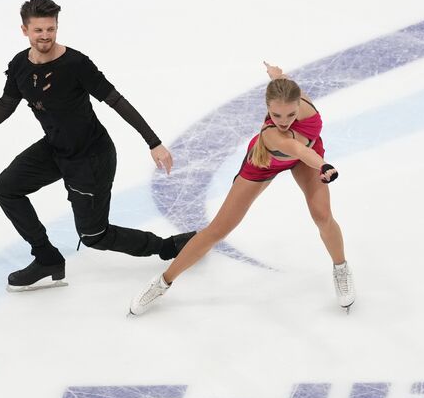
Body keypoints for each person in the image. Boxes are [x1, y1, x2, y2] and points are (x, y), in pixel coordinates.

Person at [0, 0, 195, 290]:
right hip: (55, 148)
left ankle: (169, 247)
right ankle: (47, 257)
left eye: (51, 28)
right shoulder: (19, 65)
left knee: (94, 236)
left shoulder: (76, 64)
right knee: (6, 188)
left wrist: (154, 142)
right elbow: (5, 105)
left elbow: (116, 101)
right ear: (24, 30)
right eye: (38, 30)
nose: (45, 35)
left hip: (91, 158)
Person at [128, 62, 355, 315]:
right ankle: (162, 282)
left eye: (290, 115)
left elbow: (285, 86)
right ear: (268, 108)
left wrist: (276, 75)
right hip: (265, 163)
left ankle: (341, 268)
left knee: (323, 216)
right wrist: (323, 164)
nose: (284, 122)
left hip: (307, 159)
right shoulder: (272, 135)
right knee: (217, 231)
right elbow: (299, 150)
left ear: (298, 103)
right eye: (276, 115)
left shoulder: (301, 100)